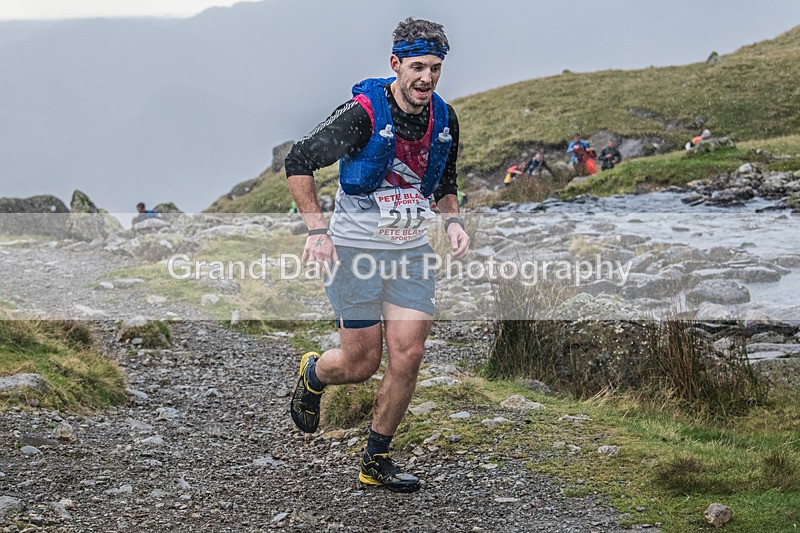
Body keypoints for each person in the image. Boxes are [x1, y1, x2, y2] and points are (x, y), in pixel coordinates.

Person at [284, 17, 469, 493]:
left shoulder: (444, 120)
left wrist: (452, 221)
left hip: (410, 254)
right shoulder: (364, 113)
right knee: (360, 364)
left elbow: (445, 183)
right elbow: (299, 160)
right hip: (355, 253)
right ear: (395, 65)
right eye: (416, 67)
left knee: (408, 354)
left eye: (434, 68)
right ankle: (314, 372)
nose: (426, 78)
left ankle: (376, 459)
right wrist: (317, 231)